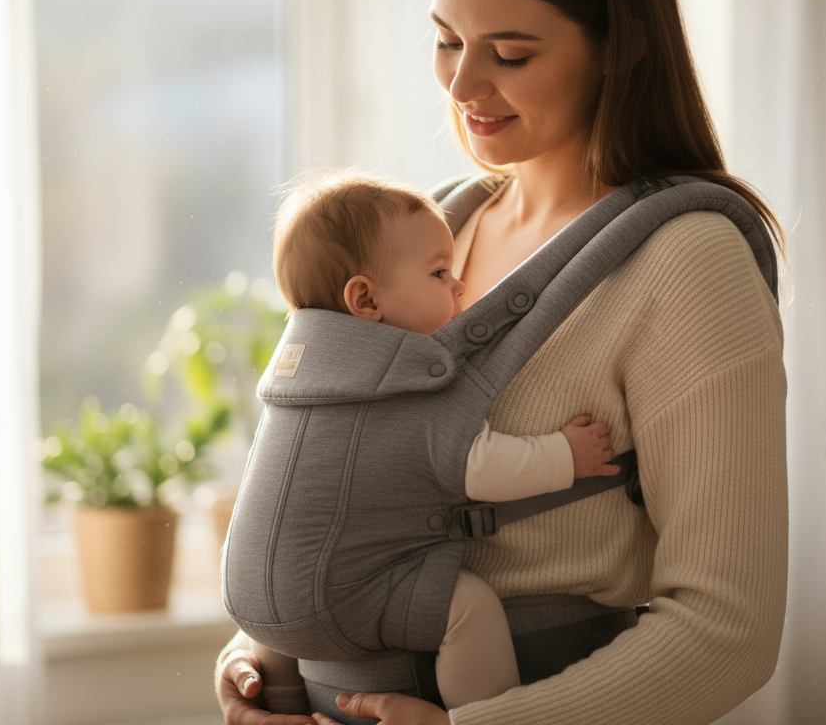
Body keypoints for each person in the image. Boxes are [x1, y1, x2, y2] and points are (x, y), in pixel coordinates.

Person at [217, 0, 788, 723]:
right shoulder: (427, 234)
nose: (460, 82)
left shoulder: (686, 263)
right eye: (446, 40)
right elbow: (332, 478)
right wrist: (262, 658)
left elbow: (727, 630)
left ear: (619, 45)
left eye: (510, 54)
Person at [234, 171, 618, 714]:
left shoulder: (295, 382)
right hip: (347, 598)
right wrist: (564, 454)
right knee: (469, 608)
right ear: (364, 299)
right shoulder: (404, 384)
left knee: (288, 628)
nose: (460, 287)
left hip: (255, 599)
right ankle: (480, 714)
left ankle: (280, 707)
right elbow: (477, 465)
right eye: (441, 273)